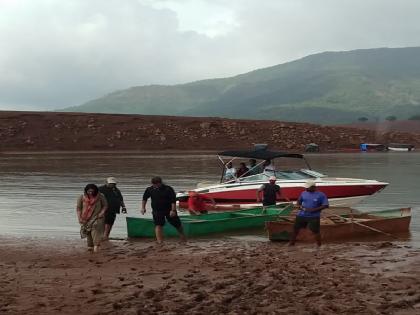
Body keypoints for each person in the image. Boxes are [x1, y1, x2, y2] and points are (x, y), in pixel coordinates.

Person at [141, 176, 186, 244]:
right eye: (153, 184)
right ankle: (160, 242)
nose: (155, 186)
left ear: (160, 183)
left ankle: (183, 237)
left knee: (177, 224)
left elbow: (173, 200)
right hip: (157, 210)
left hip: (169, 209)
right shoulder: (149, 189)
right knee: (158, 225)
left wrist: (173, 210)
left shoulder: (168, 189)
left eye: (156, 184)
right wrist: (143, 208)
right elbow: (144, 198)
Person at [289, 180, 329, 247]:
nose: (306, 189)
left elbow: (326, 205)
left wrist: (314, 210)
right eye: (306, 187)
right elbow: (298, 202)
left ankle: (319, 245)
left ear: (313, 187)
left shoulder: (321, 195)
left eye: (308, 187)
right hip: (301, 215)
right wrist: (299, 206)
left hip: (314, 216)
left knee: (315, 231)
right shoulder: (303, 193)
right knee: (295, 229)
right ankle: (291, 244)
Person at [76, 184, 108, 252]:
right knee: (88, 232)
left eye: (92, 191)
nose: (90, 193)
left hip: (97, 217)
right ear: (86, 191)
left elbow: (105, 206)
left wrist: (101, 213)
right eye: (89, 191)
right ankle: (90, 246)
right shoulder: (81, 197)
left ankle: (96, 247)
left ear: (95, 191)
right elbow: (78, 208)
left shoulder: (100, 196)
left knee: (96, 230)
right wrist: (79, 218)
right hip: (85, 218)